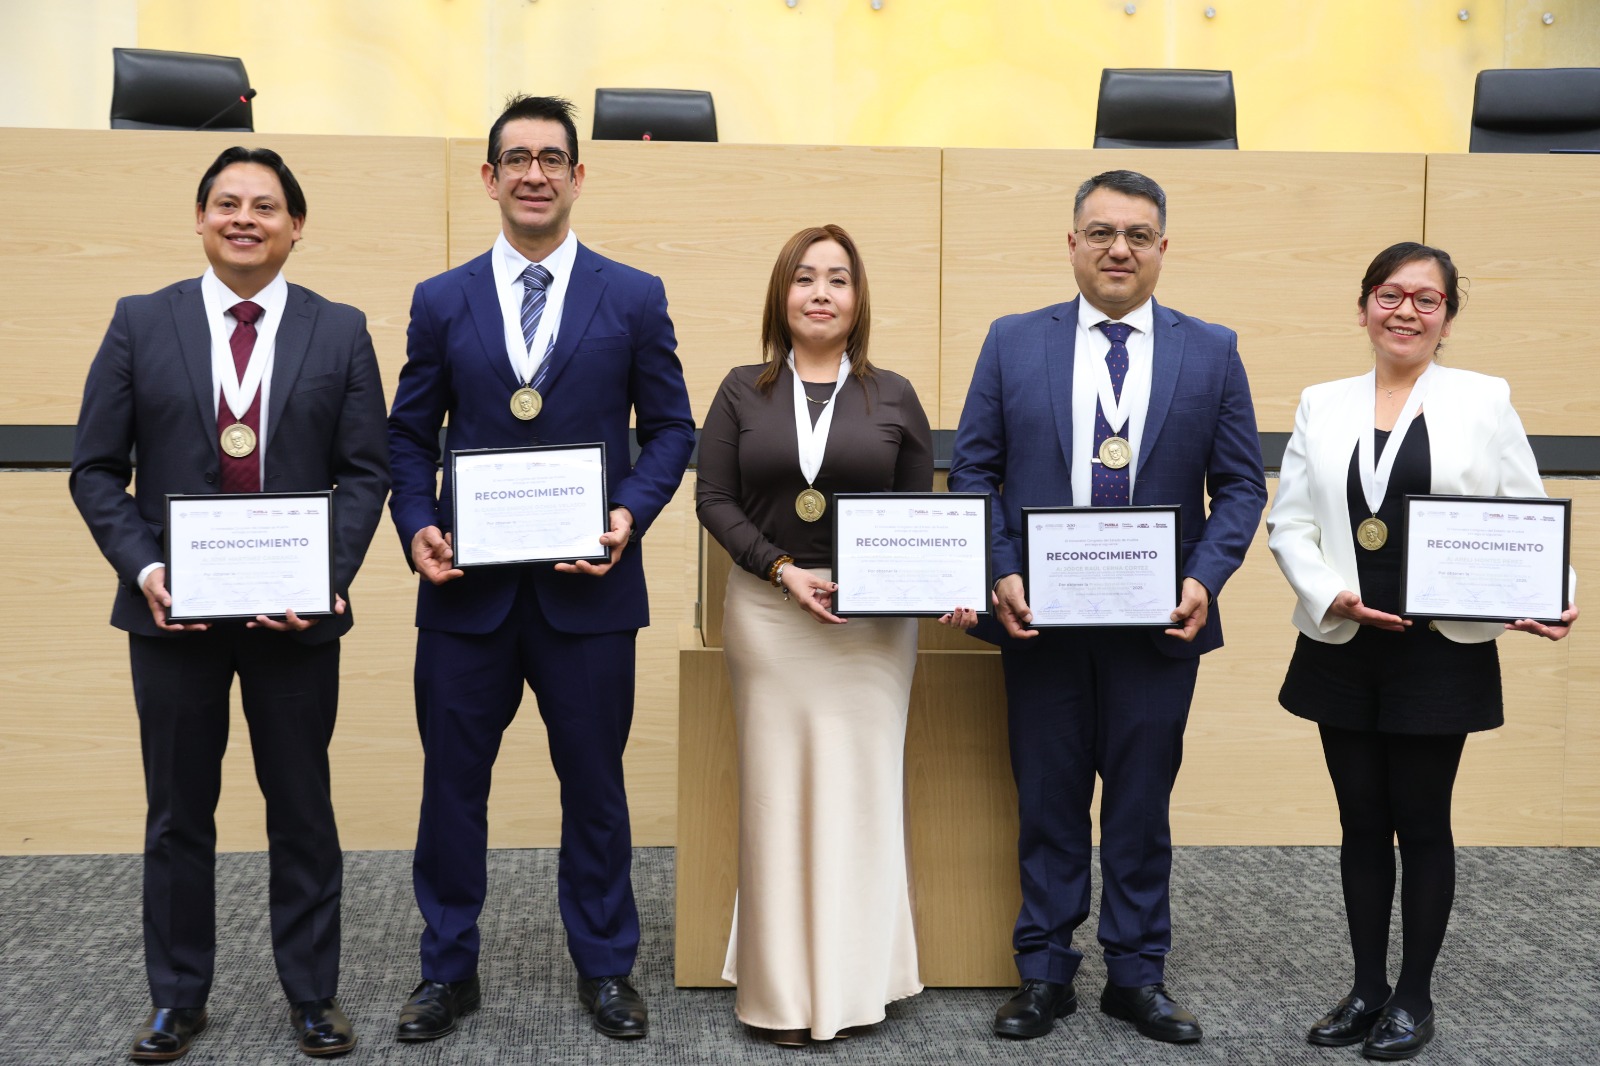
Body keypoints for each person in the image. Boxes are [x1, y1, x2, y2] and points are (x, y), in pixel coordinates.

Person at [69, 146, 390, 1061]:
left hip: (296, 620)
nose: (244, 218)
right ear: (201, 219)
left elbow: (363, 473)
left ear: (296, 225)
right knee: (177, 812)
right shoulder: (140, 322)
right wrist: (145, 568)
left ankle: (314, 996)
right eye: (226, 203)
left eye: (265, 206)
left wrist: (326, 575)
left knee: (302, 807)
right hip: (172, 618)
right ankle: (178, 999)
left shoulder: (340, 330)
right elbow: (96, 468)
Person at [386, 94, 695, 1043]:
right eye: (514, 158)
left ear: (576, 175)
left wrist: (628, 517)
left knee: (595, 789)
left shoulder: (633, 295)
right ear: (488, 177)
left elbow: (672, 429)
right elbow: (407, 436)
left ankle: (606, 968)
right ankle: (448, 971)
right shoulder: (441, 300)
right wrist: (417, 526)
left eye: (551, 158)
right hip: (466, 595)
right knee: (451, 791)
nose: (533, 173)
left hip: (589, 593)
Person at [948, 169, 1266, 1045]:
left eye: (1136, 234)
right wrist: (1000, 571)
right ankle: (1045, 972)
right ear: (1072, 243)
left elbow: (1239, 484)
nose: (1117, 248)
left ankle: (1136, 975)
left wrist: (1205, 576)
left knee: (1138, 804)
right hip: (1039, 620)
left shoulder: (1212, 349)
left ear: (1164, 247)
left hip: (1159, 623)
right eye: (1100, 232)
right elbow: (974, 471)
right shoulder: (1015, 342)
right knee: (1047, 800)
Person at [1266, 242, 1578, 1061]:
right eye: (1389, 294)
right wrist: (1328, 592)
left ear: (1447, 318)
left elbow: (1523, 508)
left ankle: (1413, 998)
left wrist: (1552, 590)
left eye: (1426, 300)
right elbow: (1290, 522)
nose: (1405, 311)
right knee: (1359, 820)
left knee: (1421, 821)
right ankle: (1366, 987)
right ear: (1363, 304)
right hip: (1344, 639)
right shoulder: (1321, 402)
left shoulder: (1483, 399)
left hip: (1440, 647)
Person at [697, 225, 965, 1047]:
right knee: (777, 798)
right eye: (805, 278)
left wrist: (940, 584)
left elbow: (918, 516)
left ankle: (856, 987)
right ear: (782, 296)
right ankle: (779, 995)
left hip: (870, 630)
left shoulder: (895, 396)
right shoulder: (743, 389)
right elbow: (715, 501)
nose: (821, 292)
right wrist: (781, 568)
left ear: (858, 300)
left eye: (838, 279)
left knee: (862, 795)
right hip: (772, 616)